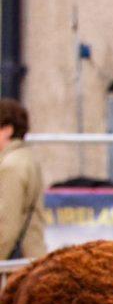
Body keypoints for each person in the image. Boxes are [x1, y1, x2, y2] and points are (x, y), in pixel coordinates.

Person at [0, 98, 47, 260]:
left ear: (7, 130)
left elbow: (7, 225)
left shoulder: (10, 166)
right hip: (31, 257)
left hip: (15, 265)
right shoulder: (27, 159)